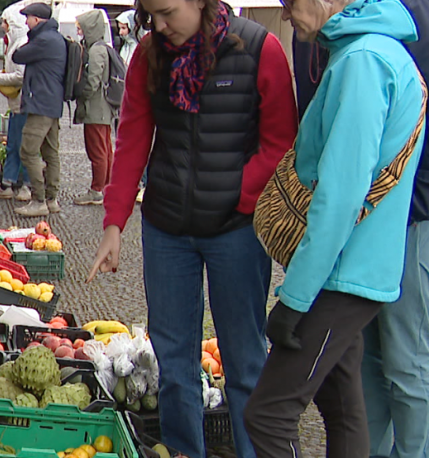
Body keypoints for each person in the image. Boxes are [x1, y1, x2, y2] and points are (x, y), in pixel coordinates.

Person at [86, 0, 298, 456]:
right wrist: (114, 223)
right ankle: (183, 450)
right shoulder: (149, 55)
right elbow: (133, 139)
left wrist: (239, 193)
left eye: (168, 12)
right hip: (167, 230)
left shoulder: (260, 49)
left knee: (244, 359)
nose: (160, 25)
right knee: (174, 361)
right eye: (152, 16)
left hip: (237, 231)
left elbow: (281, 141)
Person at [291, 1, 429, 455]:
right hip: (353, 218)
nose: (286, 12)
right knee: (363, 356)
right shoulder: (315, 24)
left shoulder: (413, 8)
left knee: (404, 356)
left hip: (409, 218)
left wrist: (412, 205)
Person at [242, 0, 429, 456]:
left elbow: (341, 193)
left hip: (341, 273)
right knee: (342, 406)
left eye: (290, 3)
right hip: (353, 268)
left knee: (268, 415)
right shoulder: (369, 52)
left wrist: (295, 298)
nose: (287, 14)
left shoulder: (364, 61)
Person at [11, 2, 67, 217]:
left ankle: (39, 200)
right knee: (50, 152)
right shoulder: (56, 38)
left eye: (28, 18)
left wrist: (25, 39)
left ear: (36, 19)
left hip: (40, 104)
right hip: (53, 103)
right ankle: (52, 199)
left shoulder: (44, 40)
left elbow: (18, 56)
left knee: (28, 150)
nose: (26, 22)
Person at [0, 2, 32, 202]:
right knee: (13, 145)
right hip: (16, 104)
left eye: (5, 22)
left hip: (23, 104)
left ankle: (27, 185)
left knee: (24, 146)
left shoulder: (22, 45)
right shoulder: (15, 42)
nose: (2, 25)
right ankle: (7, 183)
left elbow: (20, 76)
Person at [73, 9, 119, 206]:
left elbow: (93, 81)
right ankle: (105, 187)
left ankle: (97, 190)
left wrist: (81, 94)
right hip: (102, 109)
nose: (79, 31)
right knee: (105, 149)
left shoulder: (96, 50)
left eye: (80, 28)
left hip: (96, 108)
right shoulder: (102, 47)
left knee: (97, 151)